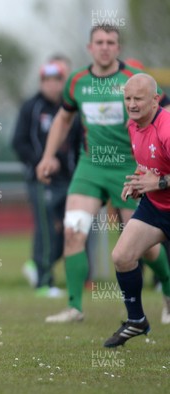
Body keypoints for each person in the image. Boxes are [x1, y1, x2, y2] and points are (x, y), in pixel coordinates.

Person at [36, 24, 170, 323]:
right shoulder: (77, 81)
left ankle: (168, 292)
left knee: (145, 247)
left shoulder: (132, 78)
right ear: (90, 47)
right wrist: (47, 156)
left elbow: (161, 113)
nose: (105, 46)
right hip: (90, 167)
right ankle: (74, 307)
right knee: (73, 231)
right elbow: (63, 118)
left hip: (129, 168)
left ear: (118, 48)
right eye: (99, 41)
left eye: (111, 41)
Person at [104, 74, 170, 347]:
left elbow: (160, 175)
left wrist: (159, 182)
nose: (131, 104)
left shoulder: (166, 127)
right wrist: (138, 182)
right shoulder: (132, 125)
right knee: (122, 256)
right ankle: (136, 320)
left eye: (138, 99)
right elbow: (150, 164)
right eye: (127, 98)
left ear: (155, 100)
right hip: (155, 206)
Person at [13, 60, 82, 298]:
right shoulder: (31, 107)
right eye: (47, 81)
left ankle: (37, 266)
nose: (52, 85)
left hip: (71, 180)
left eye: (57, 80)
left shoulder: (73, 108)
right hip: (41, 180)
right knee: (46, 231)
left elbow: (79, 143)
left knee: (72, 231)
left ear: (64, 82)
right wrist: (42, 160)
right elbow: (18, 142)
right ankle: (43, 282)